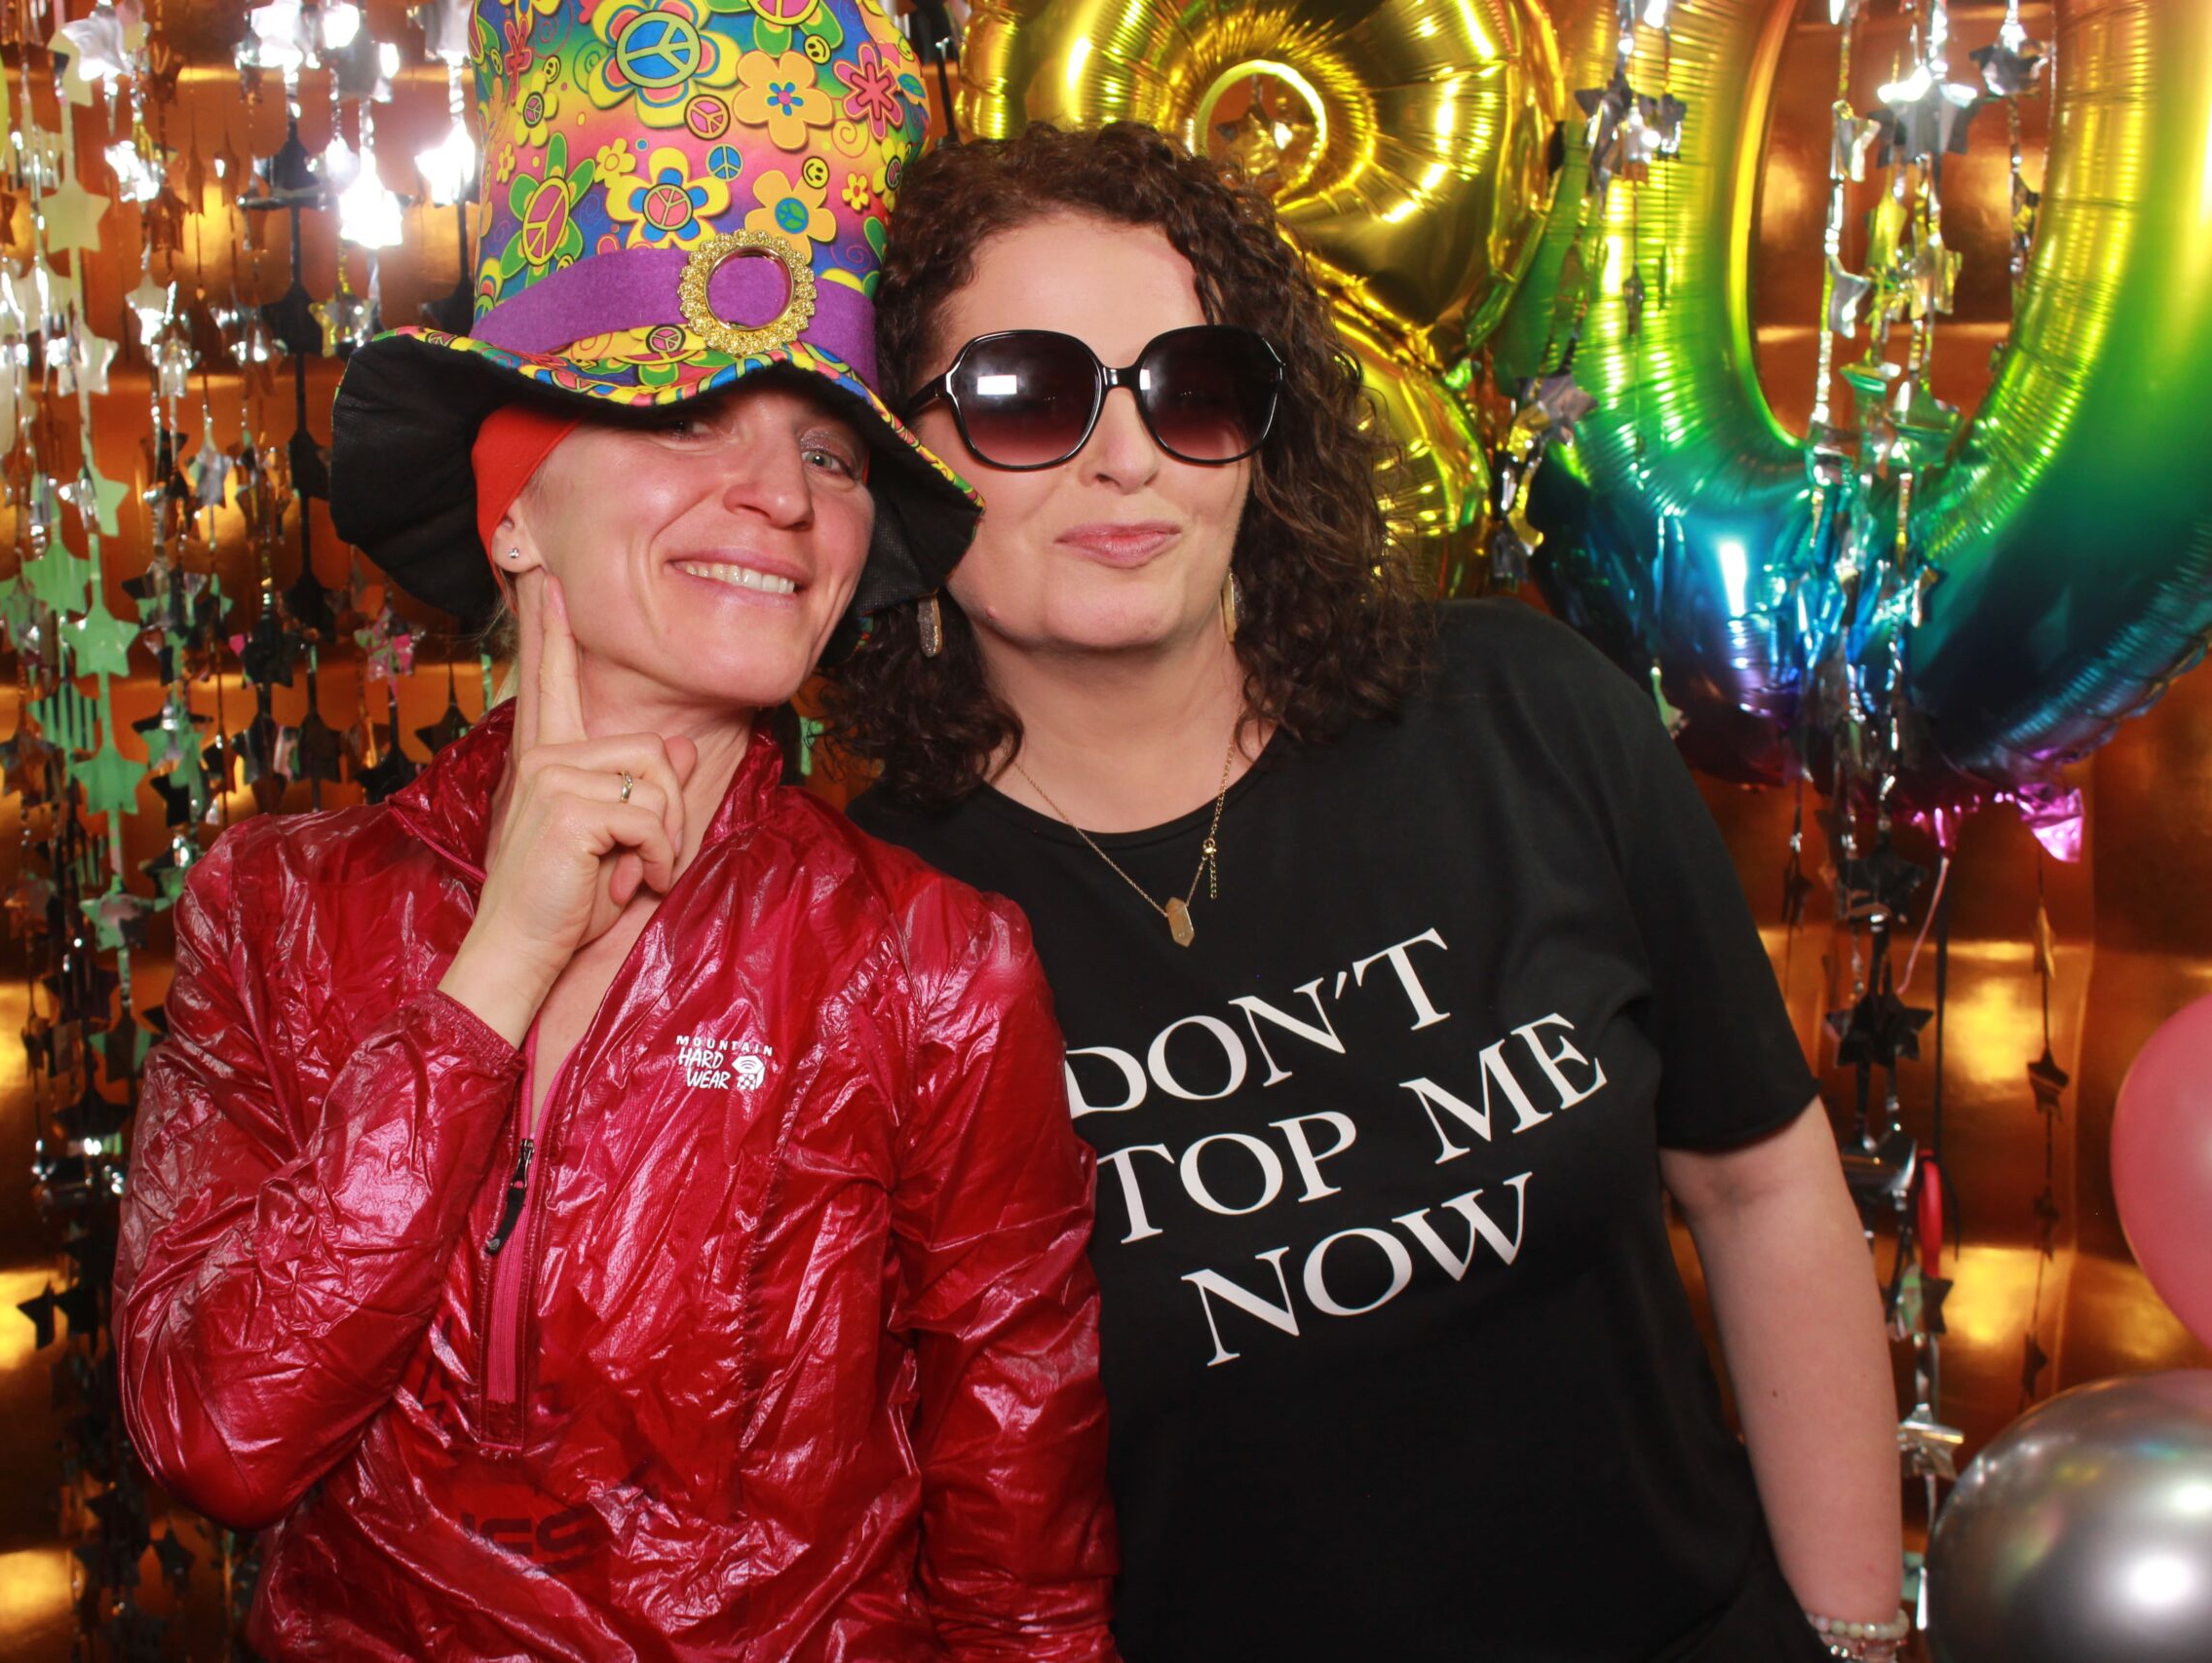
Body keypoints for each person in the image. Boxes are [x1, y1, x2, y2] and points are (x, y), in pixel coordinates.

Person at [829, 122, 1906, 1663]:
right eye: (1029, 395)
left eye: (1194, 388)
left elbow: (1760, 1186)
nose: (1128, 457)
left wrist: (1853, 1639)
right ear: (901, 452)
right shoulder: (872, 927)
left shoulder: (1524, 711)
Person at [112, 9, 1117, 1657]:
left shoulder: (932, 964)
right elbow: (217, 1437)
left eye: (827, 452)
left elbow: (1026, 1584)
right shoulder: (275, 908)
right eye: (684, 418)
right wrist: (494, 972)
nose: (781, 498)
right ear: (514, 507)